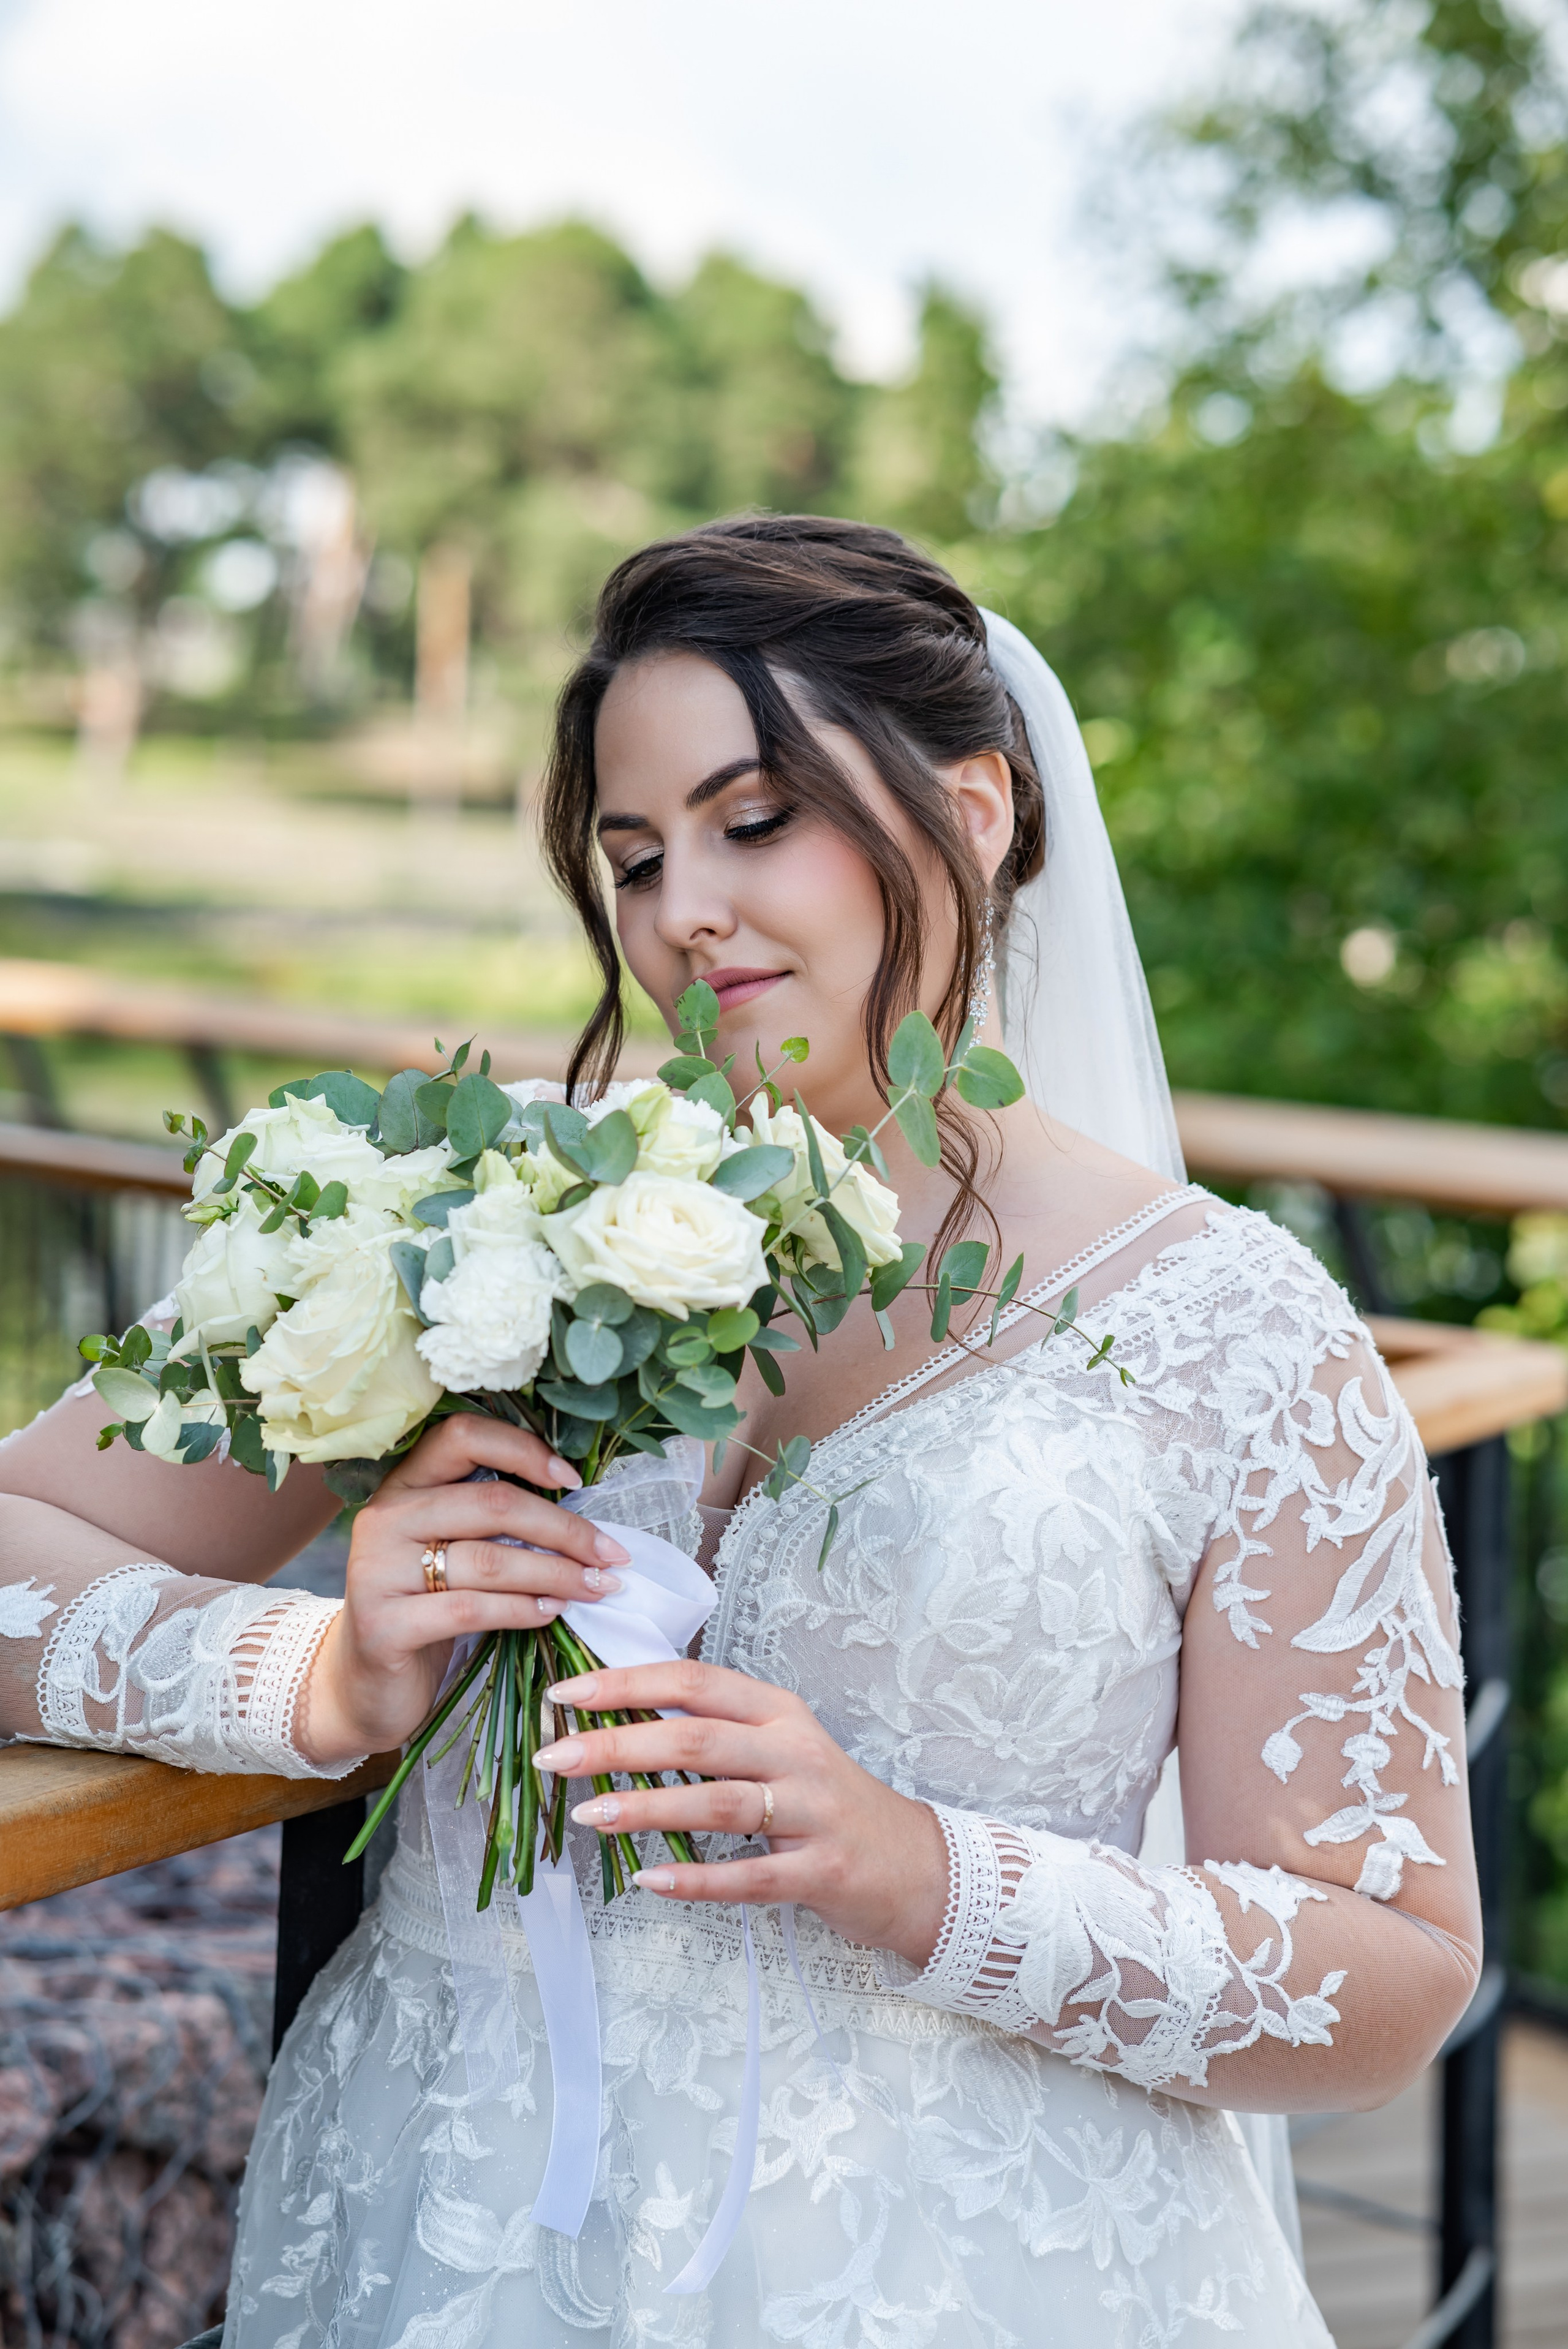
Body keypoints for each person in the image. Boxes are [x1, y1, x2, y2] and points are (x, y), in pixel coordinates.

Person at [0, 516, 1480, 2348]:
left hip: (972, 2269)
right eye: (634, 854)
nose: (682, 906)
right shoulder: (468, 1214)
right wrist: (313, 1675)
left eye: (754, 816)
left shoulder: (1238, 1328)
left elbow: (1395, 1969)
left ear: (982, 809)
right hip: (449, 2215)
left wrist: (923, 1870)